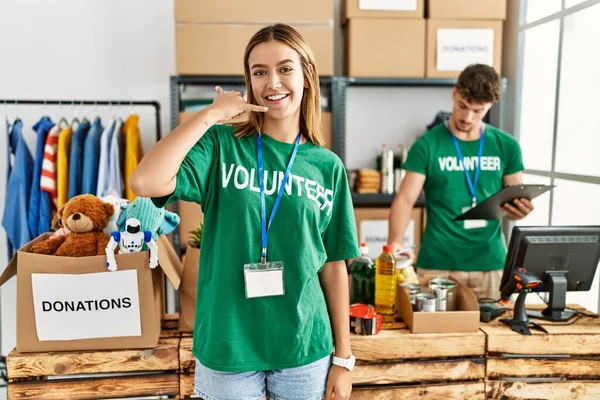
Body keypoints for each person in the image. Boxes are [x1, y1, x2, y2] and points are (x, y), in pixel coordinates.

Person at [130, 24, 359, 400]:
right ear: (248, 81)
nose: (273, 82)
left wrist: (344, 359)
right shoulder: (221, 145)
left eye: (285, 68)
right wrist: (209, 115)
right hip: (227, 345)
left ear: (307, 77)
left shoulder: (327, 166)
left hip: (305, 347)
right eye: (259, 72)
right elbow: (145, 181)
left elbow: (334, 267)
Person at [388, 64, 533, 301]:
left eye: (478, 111)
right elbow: (405, 199)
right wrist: (395, 240)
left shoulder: (507, 146)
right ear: (454, 94)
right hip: (438, 264)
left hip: (491, 265)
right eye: (463, 106)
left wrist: (519, 211)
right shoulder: (427, 145)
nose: (467, 117)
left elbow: (514, 200)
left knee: (494, 335)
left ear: (491, 104)